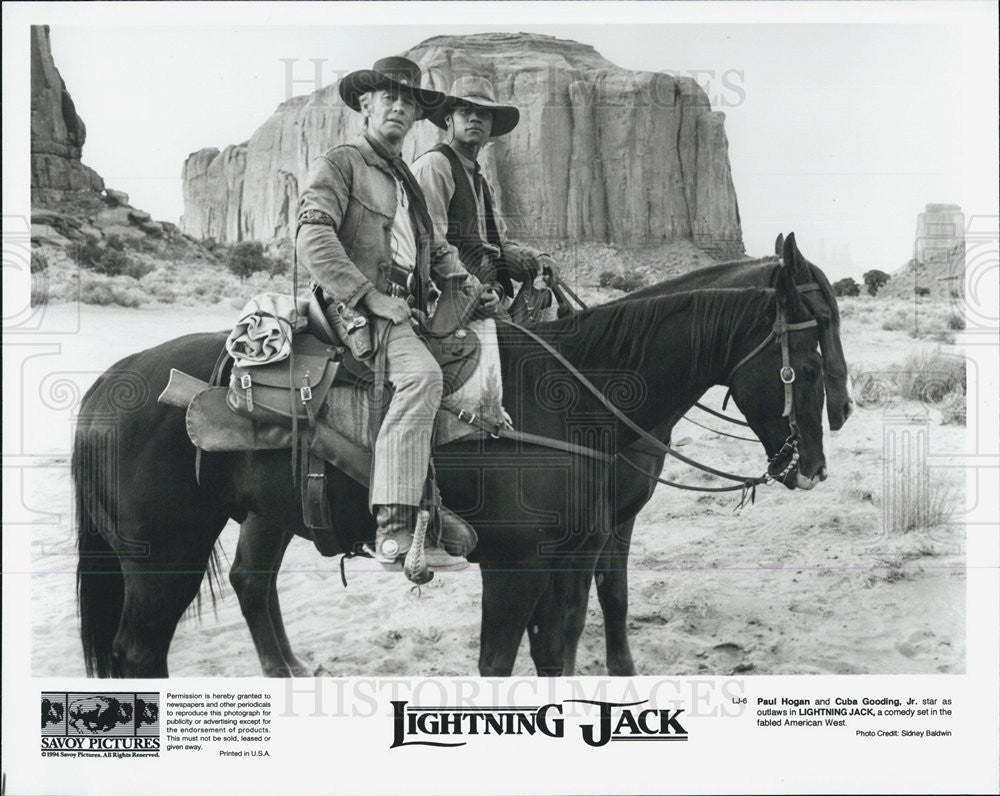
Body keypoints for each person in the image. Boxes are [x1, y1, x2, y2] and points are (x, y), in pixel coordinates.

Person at [296, 57, 485, 572]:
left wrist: (466, 284)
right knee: (422, 377)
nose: (399, 107)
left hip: (403, 307)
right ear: (366, 104)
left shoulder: (405, 176)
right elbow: (312, 236)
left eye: (409, 101)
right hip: (352, 306)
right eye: (389, 98)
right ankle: (397, 526)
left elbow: (435, 246)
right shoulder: (342, 163)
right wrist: (368, 296)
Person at [411, 76, 549, 314]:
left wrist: (536, 259)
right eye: (465, 111)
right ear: (448, 121)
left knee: (544, 297)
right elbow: (430, 246)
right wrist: (476, 290)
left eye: (483, 114)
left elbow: (496, 244)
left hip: (485, 291)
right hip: (445, 299)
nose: (475, 117)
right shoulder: (435, 166)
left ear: (491, 127)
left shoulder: (481, 181)